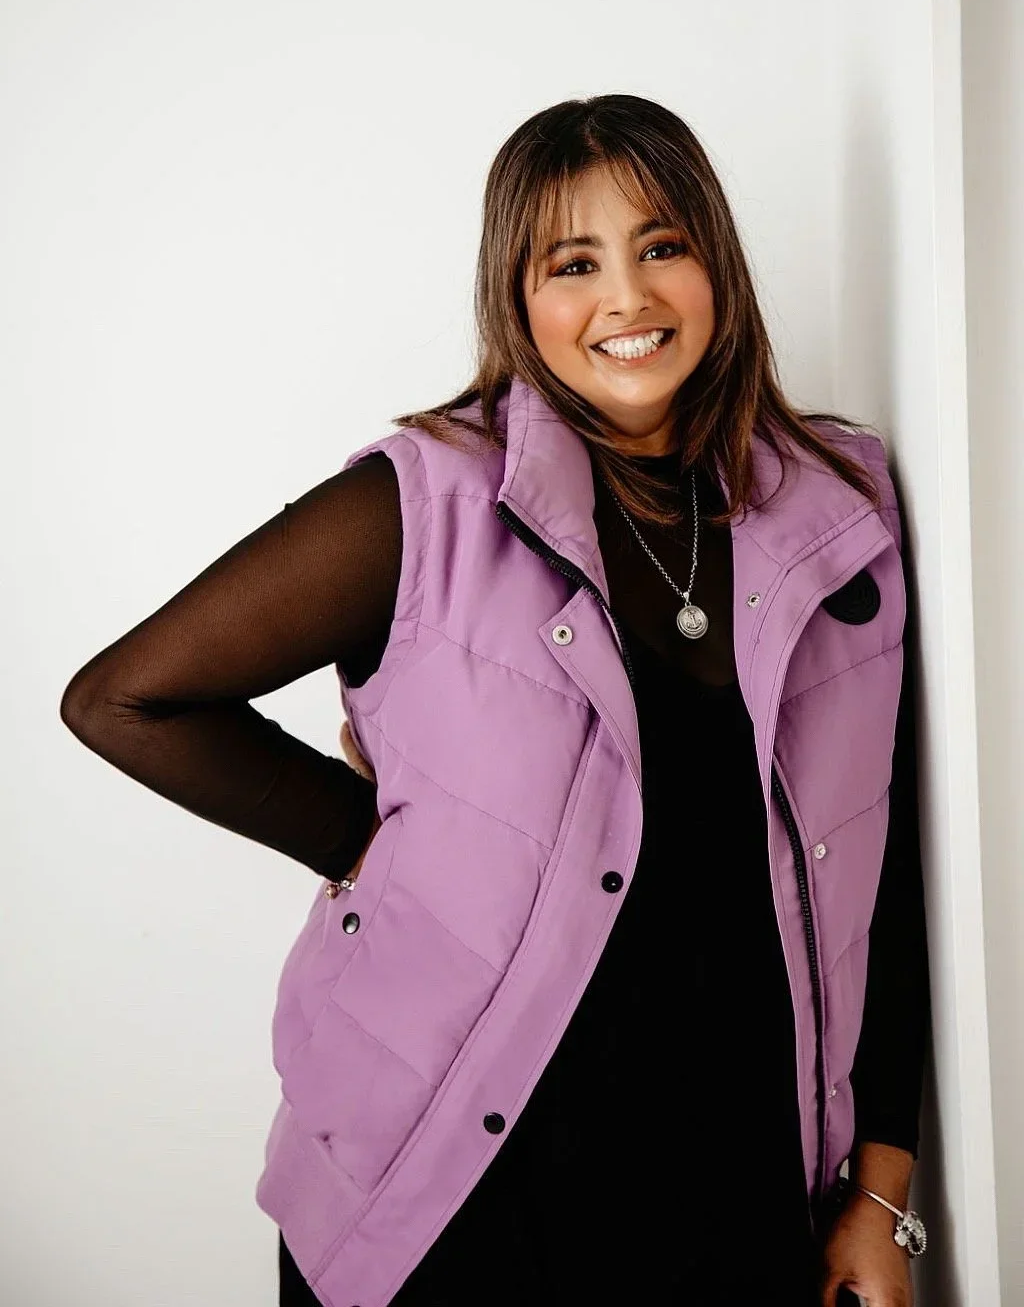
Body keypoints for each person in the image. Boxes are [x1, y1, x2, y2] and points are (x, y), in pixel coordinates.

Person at [60, 93, 930, 1307]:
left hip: (733, 1198)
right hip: (453, 1209)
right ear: (517, 299)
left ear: (715, 266)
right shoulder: (423, 506)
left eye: (661, 246)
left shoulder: (840, 515)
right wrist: (368, 839)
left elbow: (885, 885)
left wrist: (880, 1193)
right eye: (573, 263)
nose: (625, 299)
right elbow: (123, 699)